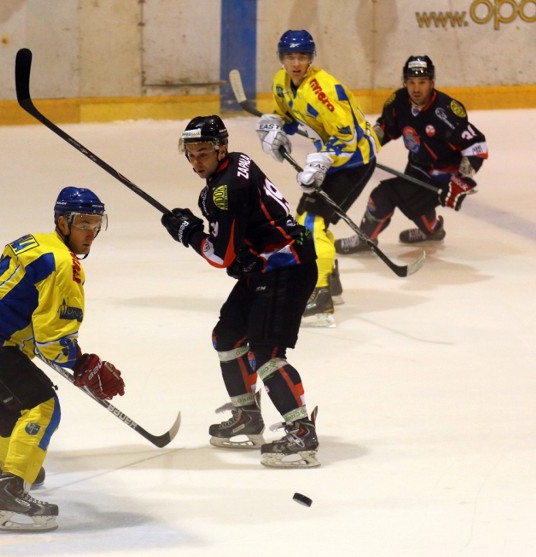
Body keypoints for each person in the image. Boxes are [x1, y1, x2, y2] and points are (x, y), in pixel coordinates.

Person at [0, 187, 126, 532]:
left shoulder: (34, 242)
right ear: (62, 221)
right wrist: (83, 364)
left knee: (10, 403)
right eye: (83, 223)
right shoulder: (64, 267)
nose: (91, 232)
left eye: (96, 223)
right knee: (42, 406)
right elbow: (53, 337)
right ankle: (10, 494)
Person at [161, 115, 320, 469]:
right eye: (191, 154)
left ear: (221, 148)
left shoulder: (225, 188)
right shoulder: (237, 162)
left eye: (203, 153)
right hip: (266, 263)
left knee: (266, 353)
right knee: (228, 336)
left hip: (286, 269)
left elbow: (221, 255)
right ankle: (248, 415)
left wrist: (189, 233)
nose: (196, 161)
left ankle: (302, 433)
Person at [256, 29, 381, 327]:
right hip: (329, 160)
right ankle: (331, 280)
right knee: (305, 218)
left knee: (312, 221)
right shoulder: (281, 83)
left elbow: (347, 137)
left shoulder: (324, 90)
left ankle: (320, 292)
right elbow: (288, 116)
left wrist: (323, 159)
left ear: (311, 59)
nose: (296, 63)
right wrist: (275, 128)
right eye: (290, 57)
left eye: (302, 57)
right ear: (281, 59)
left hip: (354, 160)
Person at [335, 55, 488, 253]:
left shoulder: (446, 111)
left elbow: (477, 144)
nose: (416, 89)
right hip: (416, 165)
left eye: (422, 82)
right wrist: (363, 146)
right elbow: (386, 128)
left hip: (441, 175)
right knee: (414, 203)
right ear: (404, 82)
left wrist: (462, 179)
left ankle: (366, 238)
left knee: (384, 195)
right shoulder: (398, 102)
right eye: (411, 82)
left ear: (432, 82)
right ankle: (432, 231)